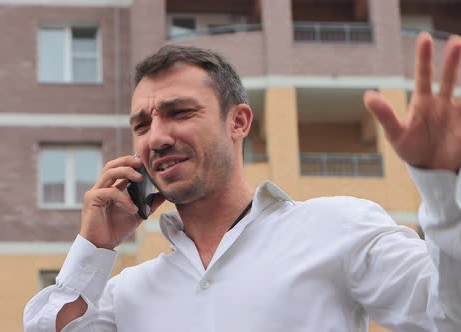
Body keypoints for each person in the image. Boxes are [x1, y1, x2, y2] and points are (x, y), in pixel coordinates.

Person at [24, 32, 461, 332]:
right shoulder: (125, 294)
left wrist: (442, 193)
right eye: (142, 124)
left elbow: (446, 316)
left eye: (180, 112)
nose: (156, 137)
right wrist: (93, 249)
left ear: (238, 121)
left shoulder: (338, 228)